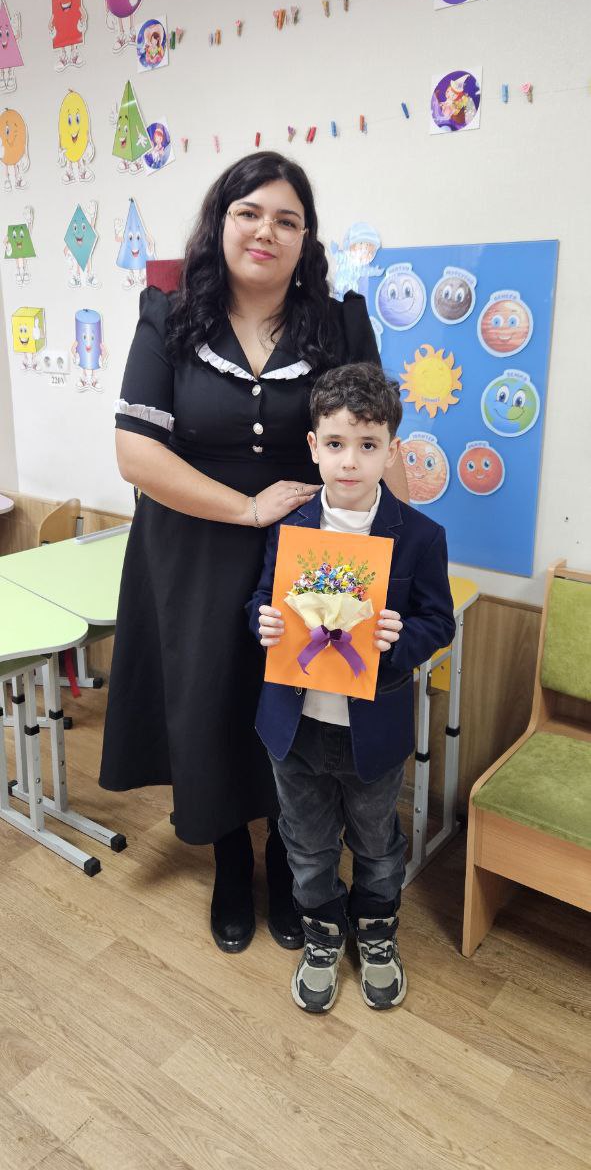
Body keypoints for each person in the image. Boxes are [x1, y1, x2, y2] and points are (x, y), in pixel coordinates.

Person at [99, 150, 409, 957]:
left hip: (313, 553)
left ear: (305, 239)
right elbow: (135, 453)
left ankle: (286, 858)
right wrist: (244, 507)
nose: (265, 231)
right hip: (193, 549)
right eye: (249, 213)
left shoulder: (338, 324)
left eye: (286, 219)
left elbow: (377, 440)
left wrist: (402, 547)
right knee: (212, 704)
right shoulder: (169, 317)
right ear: (221, 222)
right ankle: (232, 863)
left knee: (295, 707)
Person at [247, 362, 455, 1012]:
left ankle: (376, 930)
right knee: (306, 843)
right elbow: (261, 598)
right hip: (296, 728)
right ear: (314, 446)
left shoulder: (419, 536)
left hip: (372, 733)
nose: (350, 460)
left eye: (368, 445)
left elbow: (438, 620)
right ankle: (321, 934)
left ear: (390, 450)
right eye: (336, 444)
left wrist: (403, 636)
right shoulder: (291, 528)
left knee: (376, 843)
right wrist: (262, 620)